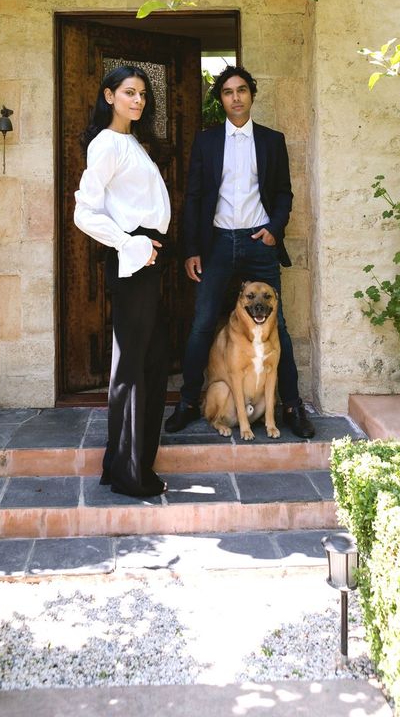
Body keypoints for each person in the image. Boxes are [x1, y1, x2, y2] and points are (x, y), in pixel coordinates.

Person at [165, 65, 315, 438]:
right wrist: (192, 249)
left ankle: (292, 406)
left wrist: (274, 230)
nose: (236, 97)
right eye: (228, 92)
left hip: (257, 242)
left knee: (277, 324)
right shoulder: (207, 141)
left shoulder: (271, 141)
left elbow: (283, 193)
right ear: (221, 100)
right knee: (201, 324)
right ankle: (186, 402)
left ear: (251, 95)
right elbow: (195, 196)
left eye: (242, 90)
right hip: (216, 242)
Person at [74, 65, 171, 498]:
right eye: (129, 92)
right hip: (134, 261)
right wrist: (130, 246)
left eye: (143, 95)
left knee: (148, 362)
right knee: (133, 367)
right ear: (109, 95)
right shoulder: (106, 144)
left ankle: (125, 465)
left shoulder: (130, 142)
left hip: (148, 260)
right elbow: (85, 213)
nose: (138, 100)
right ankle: (129, 474)